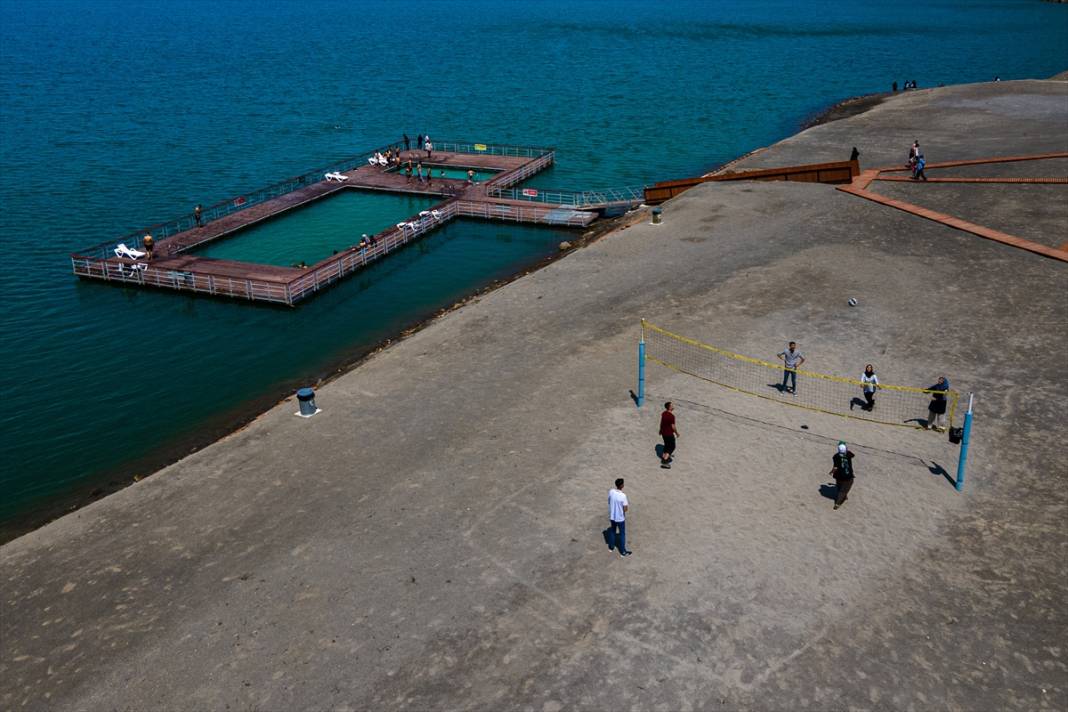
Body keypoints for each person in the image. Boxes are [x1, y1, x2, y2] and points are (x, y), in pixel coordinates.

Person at [606, 478, 632, 556]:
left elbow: (609, 501)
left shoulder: (611, 491)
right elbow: (625, 509)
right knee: (622, 534)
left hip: (612, 517)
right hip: (620, 518)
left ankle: (611, 547)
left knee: (613, 531)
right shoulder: (623, 496)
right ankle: (623, 551)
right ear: (622, 485)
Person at [829, 442, 856, 510]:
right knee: (844, 490)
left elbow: (835, 467)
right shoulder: (848, 454)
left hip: (838, 475)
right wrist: (846, 450)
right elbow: (853, 455)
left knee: (839, 486)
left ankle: (844, 496)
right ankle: (838, 503)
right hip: (848, 476)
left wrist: (831, 472)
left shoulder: (836, 456)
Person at [659, 401, 678, 469]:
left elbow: (662, 422)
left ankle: (664, 455)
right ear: (669, 407)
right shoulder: (672, 416)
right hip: (669, 433)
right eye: (672, 405)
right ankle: (665, 462)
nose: (673, 406)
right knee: (672, 446)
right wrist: (677, 433)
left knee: (666, 444)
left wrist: (660, 430)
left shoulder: (664, 413)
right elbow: (673, 426)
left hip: (664, 433)